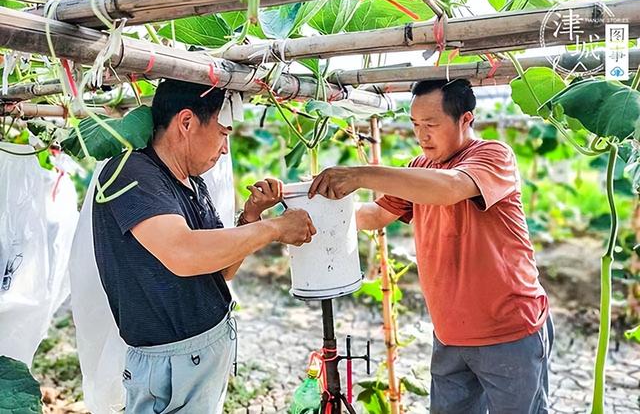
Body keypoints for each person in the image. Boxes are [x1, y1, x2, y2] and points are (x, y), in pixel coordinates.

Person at [309, 79, 553, 413]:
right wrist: (305, 216)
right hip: (450, 334)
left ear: (466, 119)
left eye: (431, 125)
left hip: (508, 331)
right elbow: (374, 214)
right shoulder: (419, 168)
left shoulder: (493, 156)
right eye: (415, 125)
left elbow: (451, 188)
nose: (421, 135)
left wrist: (360, 175)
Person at [92, 79, 316, 413]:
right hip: (169, 361)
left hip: (201, 348)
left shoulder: (193, 182)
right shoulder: (131, 173)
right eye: (224, 133)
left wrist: (251, 216)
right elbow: (184, 254)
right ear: (186, 122)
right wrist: (275, 229)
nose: (225, 148)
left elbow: (222, 269)